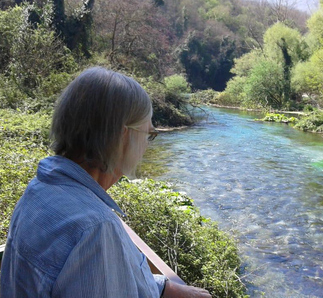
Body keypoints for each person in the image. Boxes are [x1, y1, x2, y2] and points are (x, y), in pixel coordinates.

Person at [0, 67, 211, 298]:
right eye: (148, 134)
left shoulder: (39, 189)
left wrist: (162, 287)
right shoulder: (95, 229)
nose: (148, 145)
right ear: (123, 137)